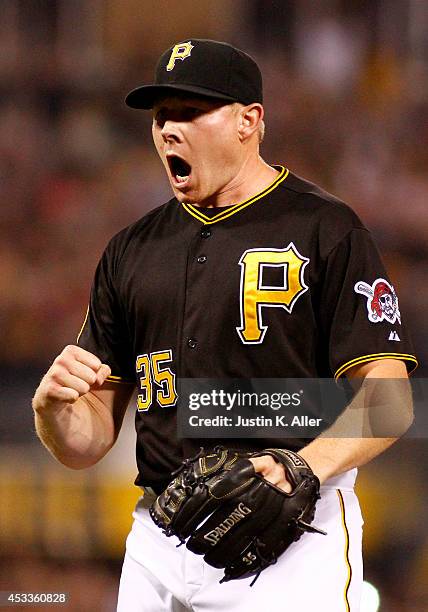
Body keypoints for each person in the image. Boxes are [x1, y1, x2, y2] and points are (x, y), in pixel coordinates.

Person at [32, 39, 417, 611]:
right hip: (159, 534)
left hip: (294, 534)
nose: (168, 130)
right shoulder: (130, 251)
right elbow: (88, 441)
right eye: (162, 116)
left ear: (249, 121)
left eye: (190, 112)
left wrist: (300, 466)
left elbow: (389, 401)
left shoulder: (325, 229)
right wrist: (52, 414)